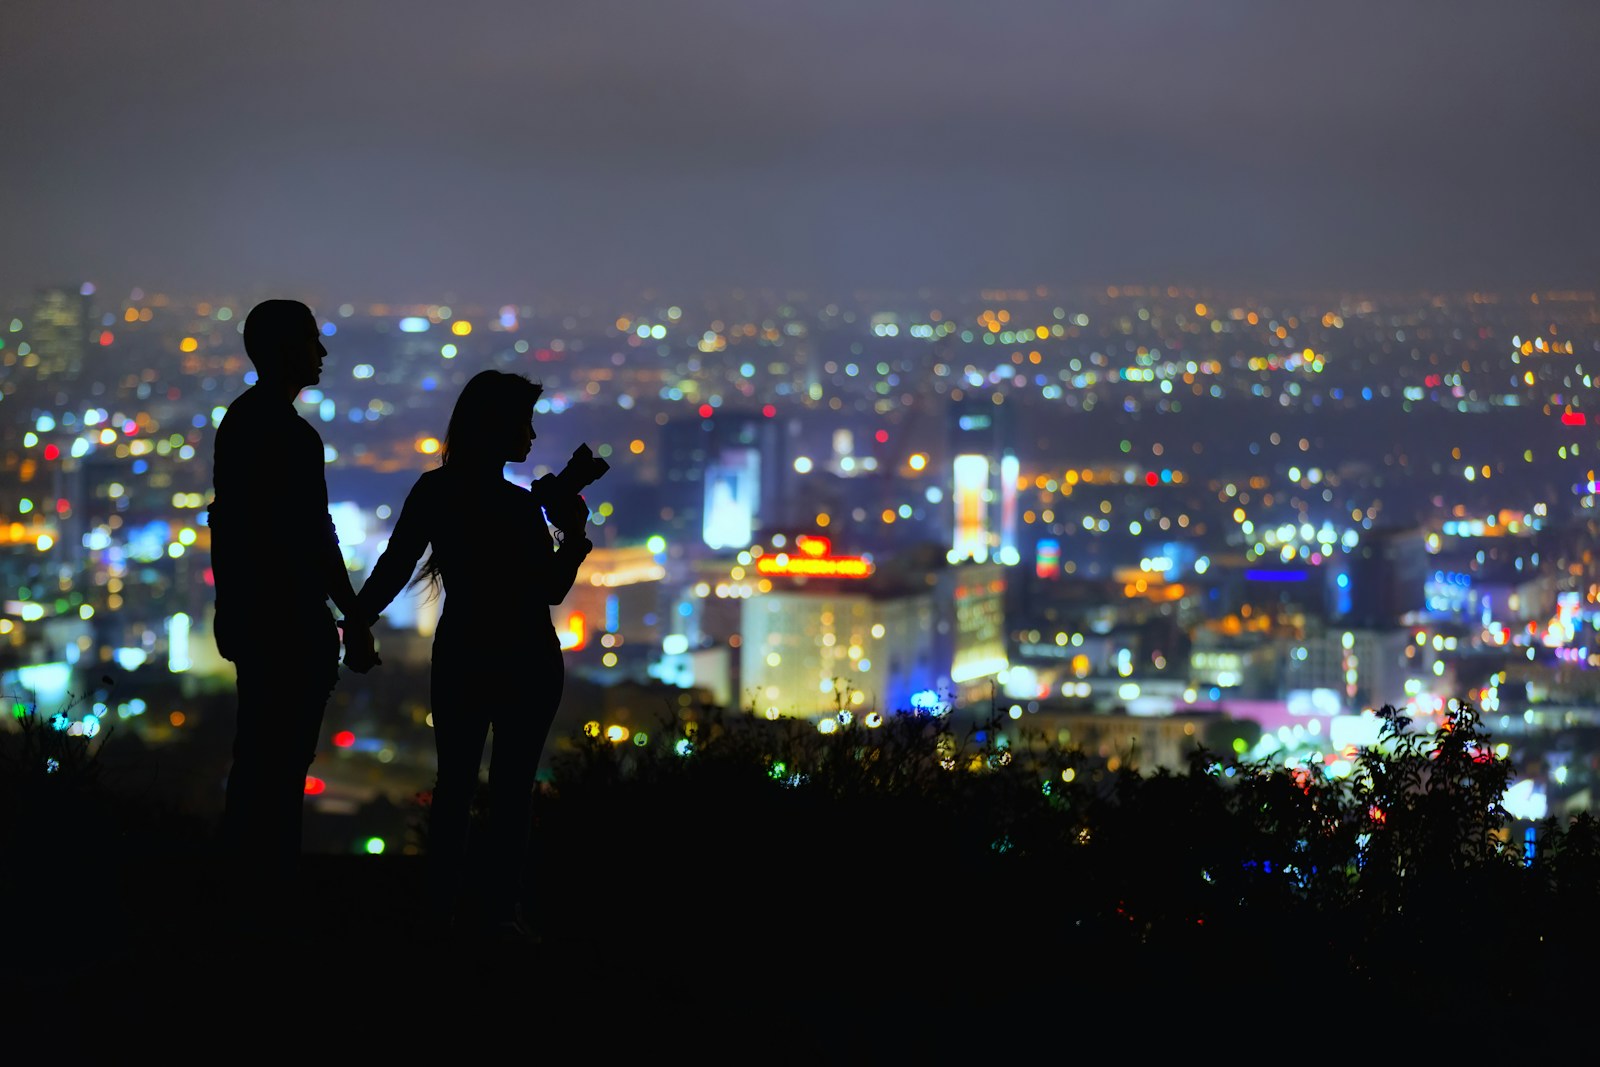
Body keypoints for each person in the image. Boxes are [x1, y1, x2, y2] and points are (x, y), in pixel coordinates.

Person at [352, 369, 592, 935]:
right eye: (524, 424)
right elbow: (549, 589)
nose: (531, 437)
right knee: (512, 792)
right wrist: (575, 535)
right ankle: (498, 913)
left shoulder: (435, 490)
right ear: (497, 427)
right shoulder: (515, 507)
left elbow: (394, 564)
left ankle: (440, 909)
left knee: (454, 785)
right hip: (527, 659)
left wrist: (356, 619)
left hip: (462, 653)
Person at [208, 299, 378, 899]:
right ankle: (269, 889)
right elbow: (314, 535)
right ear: (286, 351)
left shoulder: (239, 423)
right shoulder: (292, 437)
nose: (322, 353)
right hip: (292, 621)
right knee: (282, 762)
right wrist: (353, 617)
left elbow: (228, 525)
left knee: (257, 756)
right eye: (311, 341)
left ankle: (242, 884)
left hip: (256, 616)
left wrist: (230, 604)